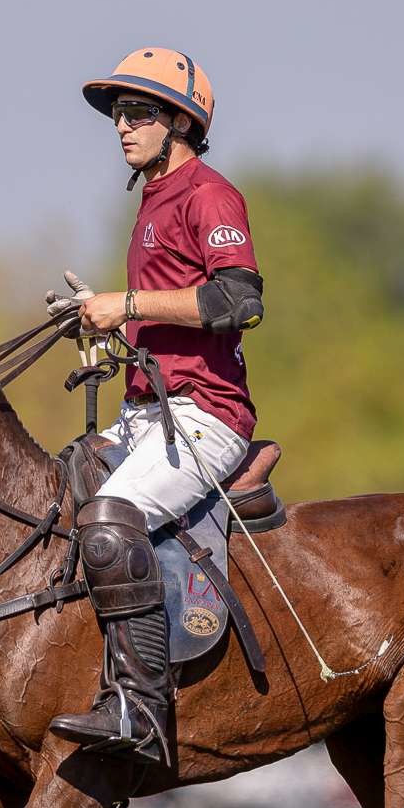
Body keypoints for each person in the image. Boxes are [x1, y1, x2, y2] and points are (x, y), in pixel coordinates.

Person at [44, 48, 265, 764]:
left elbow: (239, 300)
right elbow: (162, 319)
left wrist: (126, 303)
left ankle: (141, 710)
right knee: (54, 490)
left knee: (110, 518)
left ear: (179, 120)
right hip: (148, 412)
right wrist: (103, 322)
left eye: (137, 112)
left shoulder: (209, 193)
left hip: (207, 416)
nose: (121, 126)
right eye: (117, 113)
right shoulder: (150, 200)